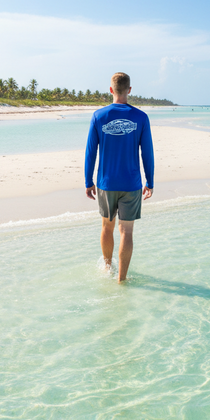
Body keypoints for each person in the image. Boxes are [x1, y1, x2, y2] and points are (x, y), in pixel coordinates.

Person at [84, 72, 154, 282]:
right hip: (131, 184)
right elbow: (147, 153)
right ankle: (121, 279)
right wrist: (150, 181)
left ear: (111, 90)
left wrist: (88, 181)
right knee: (127, 232)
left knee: (107, 226)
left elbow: (90, 152)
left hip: (106, 183)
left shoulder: (99, 116)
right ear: (129, 90)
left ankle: (108, 268)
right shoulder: (141, 117)